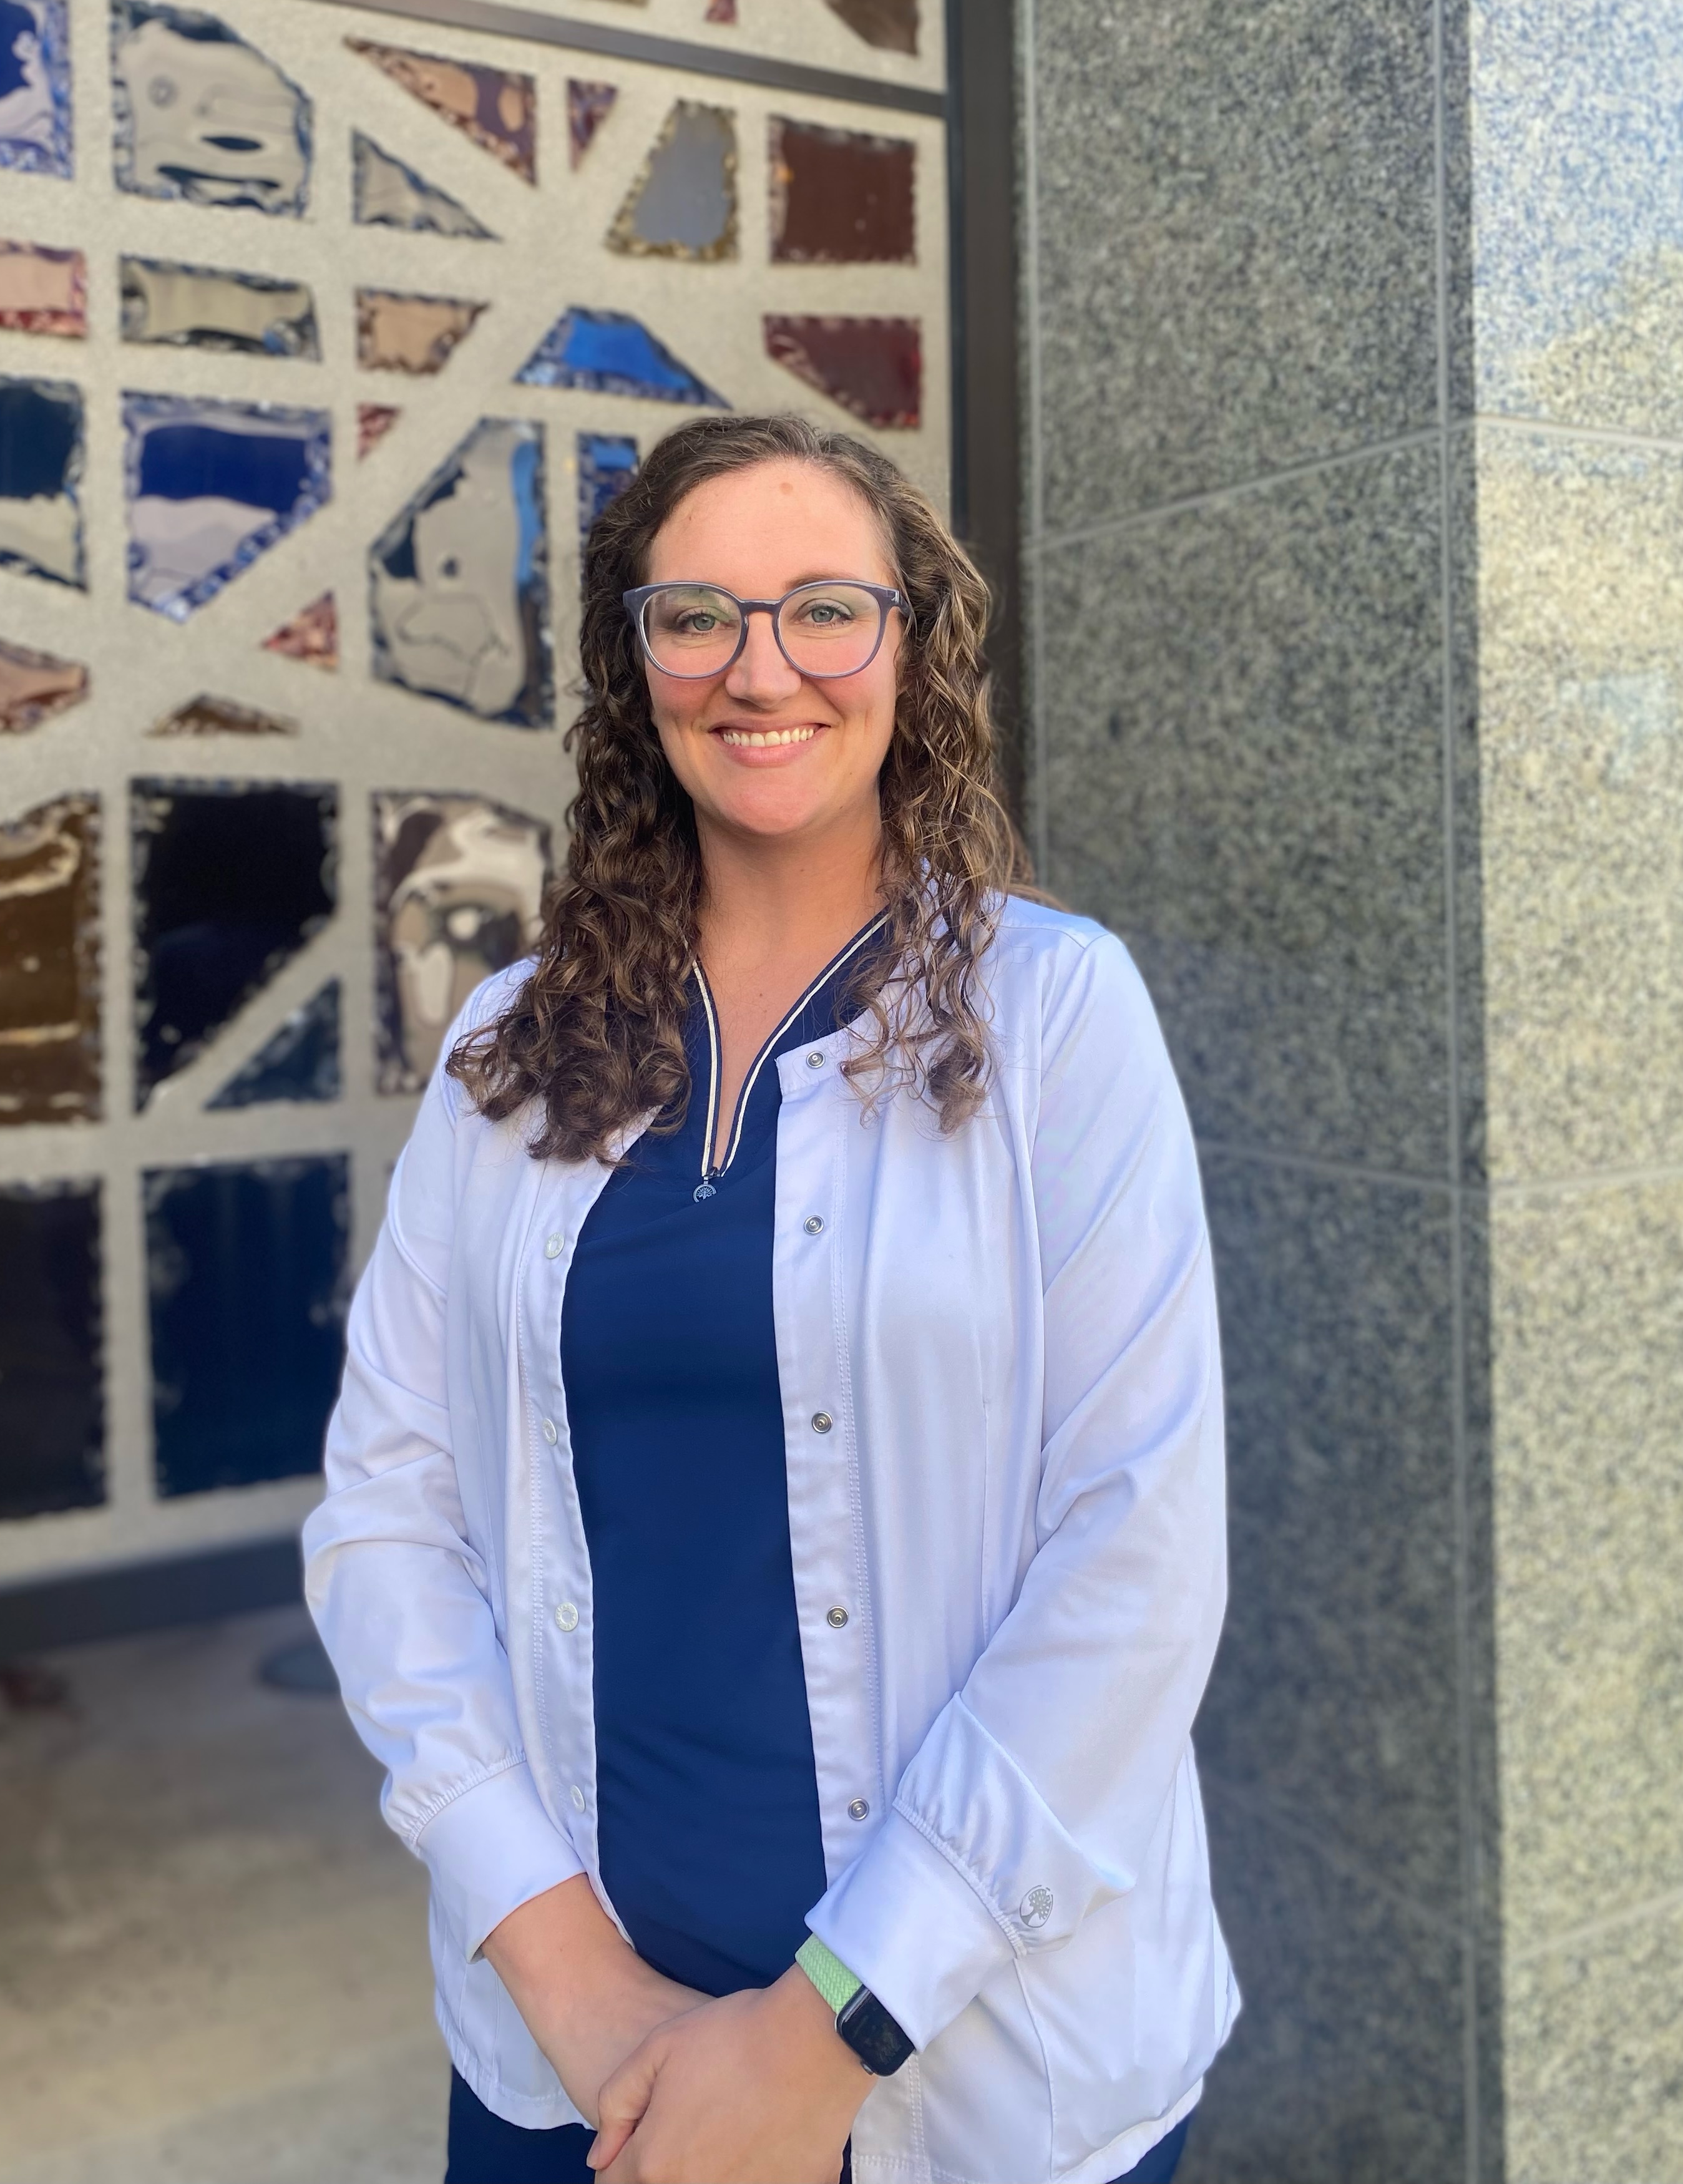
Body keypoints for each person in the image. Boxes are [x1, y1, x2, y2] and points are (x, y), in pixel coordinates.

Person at [304, 415, 1237, 2184]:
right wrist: (565, 1971)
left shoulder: (1056, 1016)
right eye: (697, 616)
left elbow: (1138, 1558)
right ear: (631, 659)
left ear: (909, 648)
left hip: (974, 2070)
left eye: (825, 608)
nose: (762, 670)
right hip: (577, 2068)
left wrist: (831, 2030)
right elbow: (386, 1513)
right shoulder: (509, 1046)